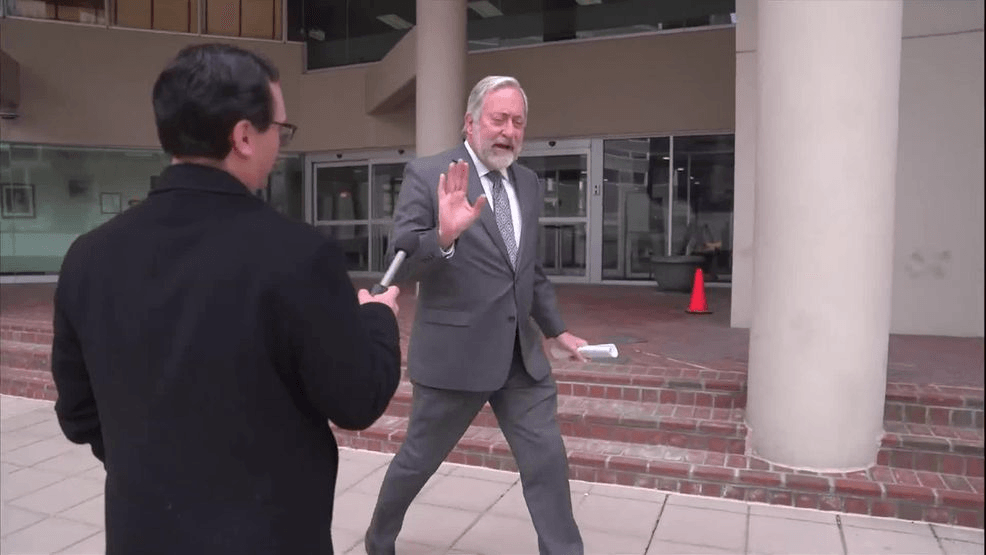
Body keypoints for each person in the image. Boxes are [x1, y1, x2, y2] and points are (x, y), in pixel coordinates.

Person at [50, 43, 402, 555]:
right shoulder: (300, 256)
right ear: (243, 136)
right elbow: (356, 400)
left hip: (143, 534)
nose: (280, 143)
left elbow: (79, 416)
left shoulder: (88, 257)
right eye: (280, 129)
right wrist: (377, 318)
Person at [365, 76, 587, 555]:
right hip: (455, 356)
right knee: (418, 460)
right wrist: (443, 237)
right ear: (470, 123)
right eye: (498, 118)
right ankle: (379, 538)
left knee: (546, 460)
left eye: (518, 122)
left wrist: (559, 331)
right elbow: (401, 257)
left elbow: (528, 269)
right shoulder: (430, 174)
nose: (508, 130)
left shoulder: (526, 182)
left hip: (520, 358)